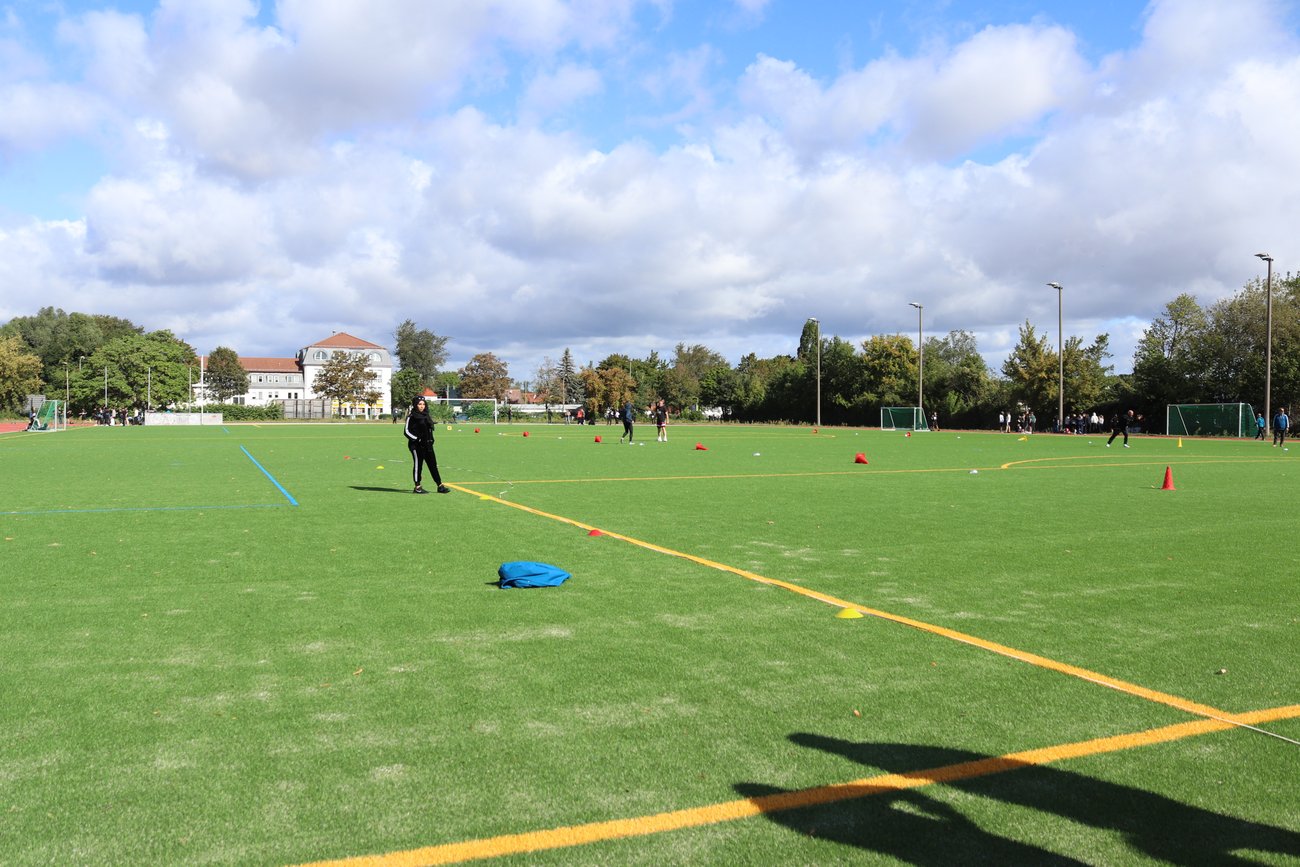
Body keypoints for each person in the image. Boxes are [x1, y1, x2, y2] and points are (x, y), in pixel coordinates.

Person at [403, 397, 449, 494]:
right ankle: (417, 487)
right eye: (419, 404)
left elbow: (429, 429)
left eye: (423, 404)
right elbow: (406, 431)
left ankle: (440, 485)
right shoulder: (411, 416)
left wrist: (431, 439)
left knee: (433, 465)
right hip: (416, 446)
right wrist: (417, 439)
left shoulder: (426, 415)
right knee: (418, 465)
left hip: (427, 444)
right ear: (415, 405)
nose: (422, 406)